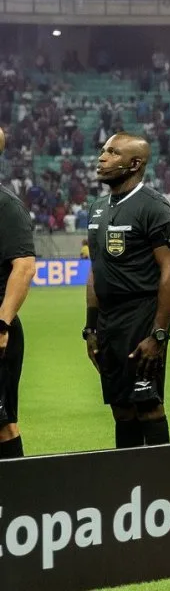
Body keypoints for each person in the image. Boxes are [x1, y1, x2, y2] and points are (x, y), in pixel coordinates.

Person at [84, 133, 170, 448]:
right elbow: (95, 271)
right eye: (103, 151)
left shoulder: (153, 207)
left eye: (112, 152)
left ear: (135, 163)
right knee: (120, 408)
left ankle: (162, 485)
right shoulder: (98, 208)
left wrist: (159, 334)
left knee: (147, 404)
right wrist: (90, 326)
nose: (102, 158)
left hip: (141, 316)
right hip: (108, 322)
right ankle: (129, 486)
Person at [0, 129, 28, 459]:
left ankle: (17, 499)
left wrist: (3, 323)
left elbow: (24, 268)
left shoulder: (6, 205)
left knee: (2, 422)